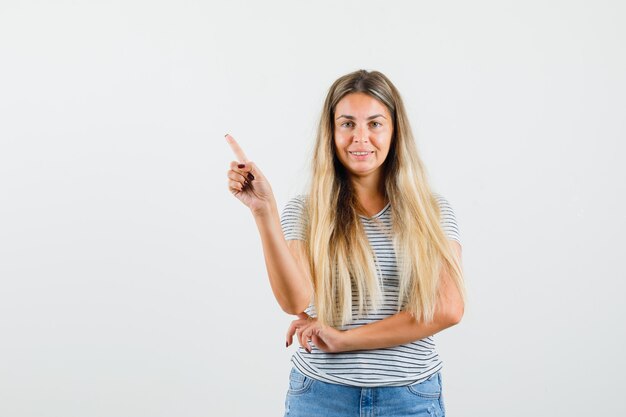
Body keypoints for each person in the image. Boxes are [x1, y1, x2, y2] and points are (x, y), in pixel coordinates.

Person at [225, 69, 466, 417]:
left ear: (395, 131)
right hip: (322, 396)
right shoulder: (307, 211)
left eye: (375, 124)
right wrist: (264, 212)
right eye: (348, 124)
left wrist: (345, 339)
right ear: (332, 132)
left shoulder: (432, 211)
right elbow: (296, 300)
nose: (360, 138)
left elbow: (448, 309)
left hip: (409, 397)